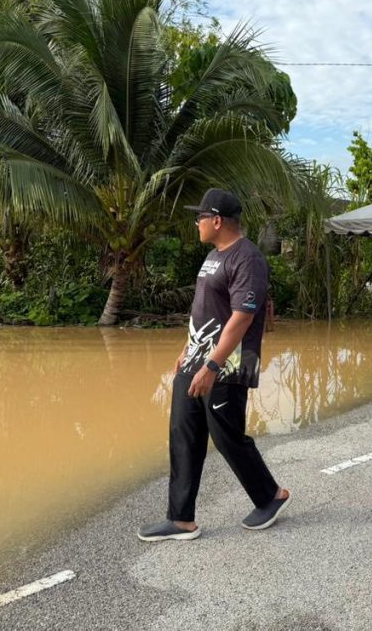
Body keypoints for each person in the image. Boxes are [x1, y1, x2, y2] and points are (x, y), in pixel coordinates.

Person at [138, 188, 291, 542]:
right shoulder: (213, 256)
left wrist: (212, 365)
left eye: (200, 217)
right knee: (183, 434)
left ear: (217, 220)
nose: (197, 223)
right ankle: (180, 520)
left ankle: (271, 496)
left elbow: (241, 317)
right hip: (196, 358)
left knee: (226, 437)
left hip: (228, 365)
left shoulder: (247, 259)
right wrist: (187, 350)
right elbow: (206, 311)